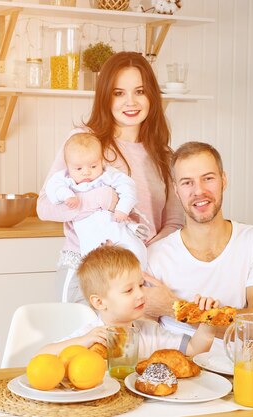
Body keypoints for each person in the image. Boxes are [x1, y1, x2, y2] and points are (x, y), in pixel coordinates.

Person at [37, 51, 184, 303]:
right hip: (86, 273)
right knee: (85, 344)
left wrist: (139, 257)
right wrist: (100, 200)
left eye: (140, 91)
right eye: (119, 93)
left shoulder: (164, 155)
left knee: (133, 344)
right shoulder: (84, 141)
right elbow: (45, 207)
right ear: (106, 97)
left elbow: (173, 223)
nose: (131, 102)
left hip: (139, 278)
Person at [143, 141, 253, 344]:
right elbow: (146, 334)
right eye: (187, 182)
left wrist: (174, 308)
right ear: (176, 190)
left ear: (223, 180)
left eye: (208, 179)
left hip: (237, 369)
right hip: (179, 367)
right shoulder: (155, 255)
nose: (199, 191)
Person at [37, 245, 218, 358]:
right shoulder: (93, 335)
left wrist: (208, 323)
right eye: (129, 290)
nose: (140, 294)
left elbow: (195, 349)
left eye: (140, 285)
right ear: (99, 302)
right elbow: (41, 355)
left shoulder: (150, 332)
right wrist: (83, 341)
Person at [43, 132, 149, 267]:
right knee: (96, 265)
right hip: (90, 235)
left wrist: (123, 208)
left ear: (101, 161)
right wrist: (66, 194)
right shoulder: (66, 179)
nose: (86, 172)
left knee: (135, 251)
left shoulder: (107, 174)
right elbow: (53, 188)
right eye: (79, 168)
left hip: (116, 225)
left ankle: (140, 271)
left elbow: (128, 187)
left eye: (93, 166)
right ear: (68, 167)